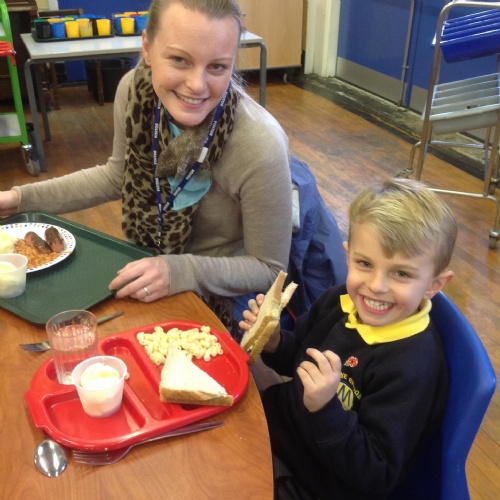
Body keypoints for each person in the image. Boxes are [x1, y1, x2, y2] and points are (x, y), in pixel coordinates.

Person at [0, 0, 292, 333]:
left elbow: (268, 269)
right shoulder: (134, 92)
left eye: (217, 67)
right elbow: (116, 177)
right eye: (180, 60)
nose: (197, 85)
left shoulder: (259, 144)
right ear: (148, 48)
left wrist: (180, 271)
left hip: (224, 295)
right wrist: (18, 199)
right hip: (146, 264)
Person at [240, 178, 458, 499]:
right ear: (348, 256)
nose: (376, 286)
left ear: (433, 285)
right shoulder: (340, 300)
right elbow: (297, 357)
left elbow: (376, 473)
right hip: (277, 427)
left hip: (318, 483)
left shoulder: (413, 366)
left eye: (401, 273)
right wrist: (274, 342)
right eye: (365, 264)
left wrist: (326, 408)